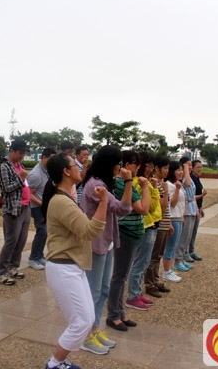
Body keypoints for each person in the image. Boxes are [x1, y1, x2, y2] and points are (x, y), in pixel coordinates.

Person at [41, 153, 108, 369]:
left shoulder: (64, 198)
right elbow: (90, 231)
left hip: (71, 266)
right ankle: (55, 363)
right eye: (75, 165)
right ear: (66, 172)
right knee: (81, 322)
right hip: (63, 268)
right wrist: (104, 202)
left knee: (86, 320)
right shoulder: (61, 201)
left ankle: (60, 361)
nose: (80, 168)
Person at [80, 145, 133, 354]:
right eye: (118, 163)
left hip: (106, 242)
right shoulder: (95, 185)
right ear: (110, 164)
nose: (120, 167)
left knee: (103, 289)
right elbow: (123, 208)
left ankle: (95, 328)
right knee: (92, 291)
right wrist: (128, 182)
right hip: (96, 244)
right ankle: (86, 335)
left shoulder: (102, 183)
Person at [106, 150, 149, 331]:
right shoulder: (122, 184)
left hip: (131, 233)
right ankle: (113, 315)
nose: (138, 168)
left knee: (122, 275)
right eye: (136, 164)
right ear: (127, 165)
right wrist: (145, 187)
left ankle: (120, 312)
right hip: (125, 233)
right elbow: (144, 208)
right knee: (119, 276)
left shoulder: (125, 183)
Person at [125, 151, 161, 310]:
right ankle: (133, 295)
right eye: (148, 166)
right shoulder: (138, 183)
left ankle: (137, 292)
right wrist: (153, 188)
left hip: (150, 224)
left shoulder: (142, 182)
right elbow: (151, 206)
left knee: (144, 262)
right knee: (139, 262)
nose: (150, 170)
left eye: (152, 167)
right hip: (145, 225)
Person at [0, 139, 30, 285]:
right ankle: (0, 272)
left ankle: (12, 266)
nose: (22, 156)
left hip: (25, 207)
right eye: (20, 153)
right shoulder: (4, 167)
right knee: (11, 241)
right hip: (13, 208)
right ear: (12, 151)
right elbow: (6, 188)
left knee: (21, 240)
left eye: (23, 153)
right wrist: (21, 179)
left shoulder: (19, 165)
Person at [143, 155, 173, 298]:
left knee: (159, 255)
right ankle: (150, 284)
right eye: (165, 168)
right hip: (158, 224)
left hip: (165, 223)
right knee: (153, 256)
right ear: (157, 168)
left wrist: (170, 223)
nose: (167, 171)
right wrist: (165, 191)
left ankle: (155, 280)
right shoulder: (155, 184)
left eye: (168, 168)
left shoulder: (162, 183)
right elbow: (161, 207)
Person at [28, 147, 56, 270]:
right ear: (44, 157)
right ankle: (33, 258)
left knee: (45, 232)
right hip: (37, 207)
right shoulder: (35, 174)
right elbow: (28, 194)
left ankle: (39, 255)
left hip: (44, 206)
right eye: (51, 159)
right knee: (42, 231)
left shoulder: (46, 171)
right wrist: (41, 203)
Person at [162, 161, 185, 284]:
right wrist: (177, 189)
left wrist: (183, 217)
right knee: (170, 246)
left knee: (174, 246)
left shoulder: (177, 184)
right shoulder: (170, 185)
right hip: (173, 218)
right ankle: (166, 272)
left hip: (179, 217)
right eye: (178, 170)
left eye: (182, 170)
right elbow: (173, 203)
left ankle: (169, 270)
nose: (181, 172)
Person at [173, 157, 197, 273]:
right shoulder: (183, 178)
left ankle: (182, 257)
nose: (190, 167)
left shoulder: (190, 177)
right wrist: (186, 170)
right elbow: (187, 184)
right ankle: (178, 259)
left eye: (191, 165)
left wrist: (197, 209)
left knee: (188, 236)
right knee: (183, 237)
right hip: (186, 209)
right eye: (188, 165)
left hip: (192, 208)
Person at [186, 160, 207, 261]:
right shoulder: (191, 179)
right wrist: (202, 195)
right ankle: (186, 252)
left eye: (201, 167)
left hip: (197, 207)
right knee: (189, 233)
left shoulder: (197, 179)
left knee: (193, 232)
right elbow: (191, 196)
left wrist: (201, 208)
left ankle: (191, 250)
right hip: (193, 208)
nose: (200, 169)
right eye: (198, 167)